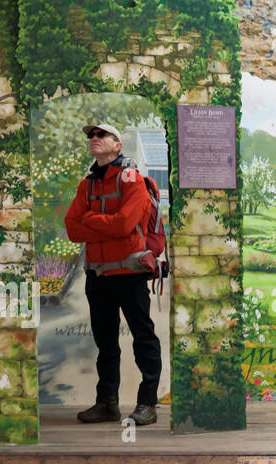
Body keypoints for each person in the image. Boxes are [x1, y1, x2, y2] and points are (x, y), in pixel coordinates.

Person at [63, 122, 161, 426]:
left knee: (143, 337)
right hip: (98, 276)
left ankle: (147, 403)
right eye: (91, 135)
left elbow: (124, 224)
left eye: (101, 134)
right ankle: (107, 404)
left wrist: (91, 219)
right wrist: (106, 223)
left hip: (129, 273)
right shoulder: (87, 184)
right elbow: (71, 228)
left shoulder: (132, 180)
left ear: (117, 145)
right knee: (105, 343)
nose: (94, 138)